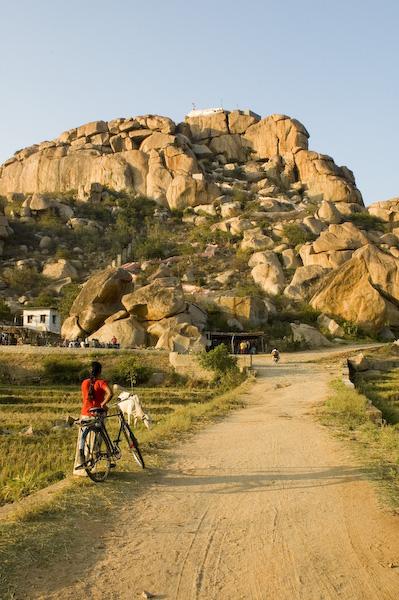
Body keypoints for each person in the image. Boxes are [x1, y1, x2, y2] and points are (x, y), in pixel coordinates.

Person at [74, 361, 113, 474]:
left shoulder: (84, 383)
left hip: (85, 414)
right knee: (95, 442)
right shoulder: (101, 382)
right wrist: (103, 404)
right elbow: (110, 393)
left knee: (83, 441)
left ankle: (80, 469)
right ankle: (92, 468)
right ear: (100, 371)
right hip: (97, 415)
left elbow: (85, 398)